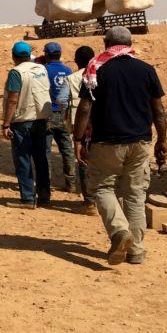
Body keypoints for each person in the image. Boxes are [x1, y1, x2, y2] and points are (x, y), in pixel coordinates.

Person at [72, 27, 167, 265]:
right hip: (140, 141)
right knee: (135, 195)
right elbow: (159, 110)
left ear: (106, 44)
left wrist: (77, 138)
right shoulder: (146, 70)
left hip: (106, 142)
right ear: (130, 43)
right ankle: (136, 251)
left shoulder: (96, 71)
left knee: (103, 188)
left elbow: (84, 108)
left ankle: (119, 231)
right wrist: (162, 139)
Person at [1, 41, 52, 208]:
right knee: (41, 158)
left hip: (22, 121)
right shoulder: (41, 69)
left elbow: (13, 99)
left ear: (13, 56)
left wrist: (6, 123)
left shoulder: (16, 72)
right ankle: (44, 195)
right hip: (41, 119)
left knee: (23, 159)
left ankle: (28, 198)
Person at [65, 45, 98, 214]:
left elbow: (64, 100)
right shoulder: (100, 74)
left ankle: (90, 202)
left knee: (84, 159)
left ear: (76, 61)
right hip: (99, 121)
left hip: (79, 122)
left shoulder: (71, 79)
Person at [42, 42, 78, 193]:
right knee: (67, 150)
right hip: (64, 114)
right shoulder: (68, 70)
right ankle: (71, 183)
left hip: (49, 113)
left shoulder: (44, 70)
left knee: (46, 150)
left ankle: (46, 183)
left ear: (47, 54)